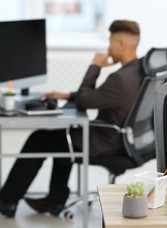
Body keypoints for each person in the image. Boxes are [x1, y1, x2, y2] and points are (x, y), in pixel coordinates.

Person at [0, 19, 145, 218]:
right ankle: (55, 201)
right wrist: (67, 95)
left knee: (40, 139)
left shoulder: (119, 79)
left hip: (107, 143)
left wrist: (95, 66)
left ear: (122, 44)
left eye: (110, 42)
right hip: (126, 140)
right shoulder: (139, 71)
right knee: (62, 140)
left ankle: (6, 201)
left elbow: (86, 101)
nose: (108, 48)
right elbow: (98, 97)